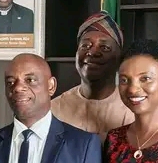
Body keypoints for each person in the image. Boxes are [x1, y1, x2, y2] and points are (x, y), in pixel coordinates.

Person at [51, 11, 134, 141]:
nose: (93, 52)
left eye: (104, 47)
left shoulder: (133, 109)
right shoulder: (54, 110)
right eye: (85, 46)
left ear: (119, 59)